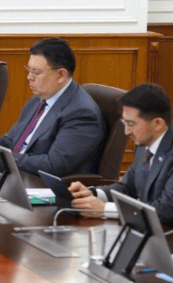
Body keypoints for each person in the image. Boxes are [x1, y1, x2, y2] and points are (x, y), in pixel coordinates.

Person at [0, 38, 104, 176]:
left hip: (41, 186)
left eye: (36, 72)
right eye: (29, 70)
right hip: (16, 174)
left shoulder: (81, 113)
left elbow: (53, 165)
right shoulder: (39, 99)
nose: (29, 77)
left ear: (61, 75)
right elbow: (10, 141)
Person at [69, 83, 173, 224]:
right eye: (125, 123)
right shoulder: (144, 146)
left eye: (131, 124)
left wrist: (105, 209)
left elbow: (166, 210)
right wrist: (92, 193)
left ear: (157, 124)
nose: (126, 132)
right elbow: (127, 188)